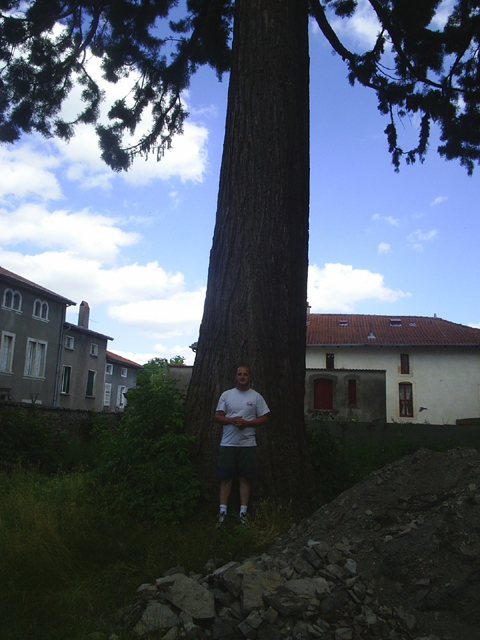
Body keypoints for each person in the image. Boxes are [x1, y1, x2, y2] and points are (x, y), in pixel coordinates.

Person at [214, 365, 270, 528]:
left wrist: (247, 423)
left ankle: (243, 512)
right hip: (228, 443)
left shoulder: (256, 397)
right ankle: (223, 512)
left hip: (247, 444)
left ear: (250, 377)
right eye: (240, 374)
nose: (243, 377)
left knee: (245, 478)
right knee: (226, 477)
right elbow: (218, 416)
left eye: (245, 374)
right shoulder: (227, 395)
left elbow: (264, 418)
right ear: (235, 377)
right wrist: (232, 420)